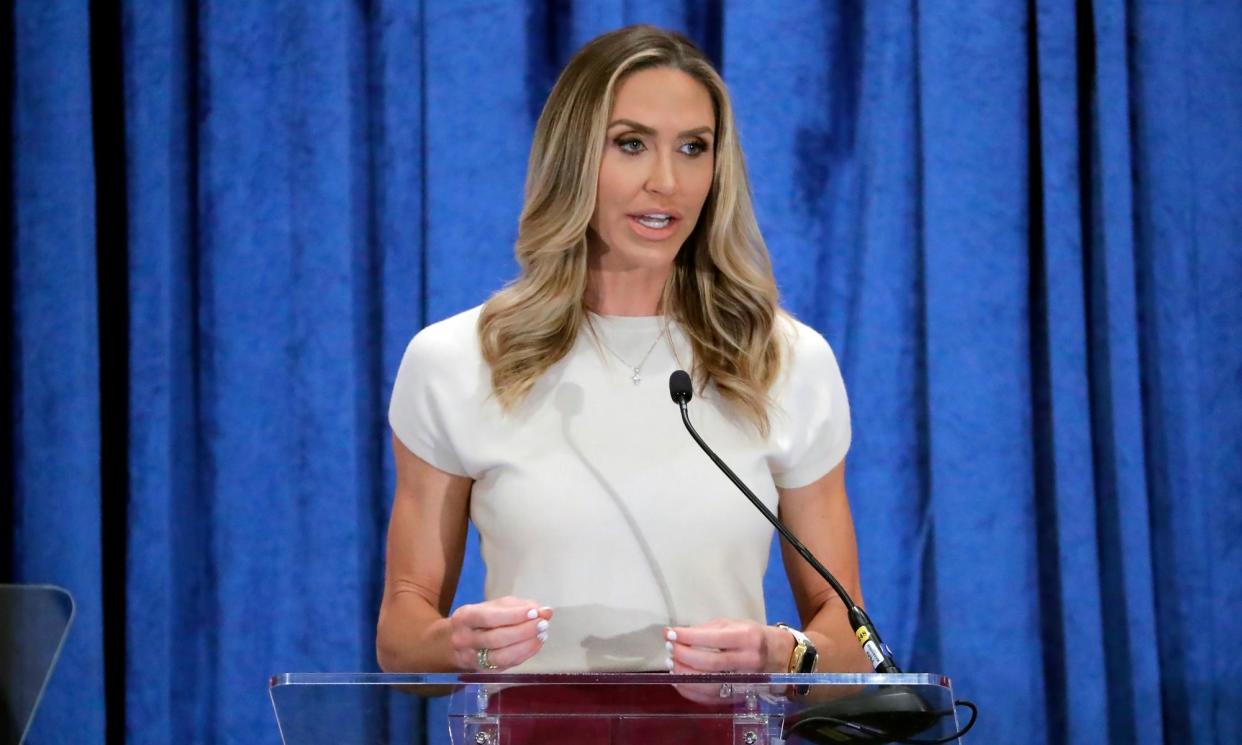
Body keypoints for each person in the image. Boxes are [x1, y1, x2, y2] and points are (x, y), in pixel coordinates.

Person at [376, 24, 872, 686]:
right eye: (631, 144)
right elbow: (402, 634)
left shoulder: (786, 360)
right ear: (573, 156)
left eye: (694, 148)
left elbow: (849, 635)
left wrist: (784, 651)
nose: (666, 181)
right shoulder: (456, 360)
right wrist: (457, 642)